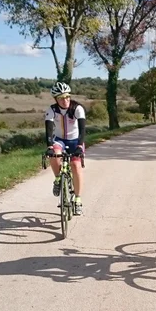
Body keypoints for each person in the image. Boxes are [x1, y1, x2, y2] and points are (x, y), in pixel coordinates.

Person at [45, 81, 87, 215]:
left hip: (75, 140)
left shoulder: (77, 108)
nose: (65, 100)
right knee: (54, 154)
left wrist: (80, 146)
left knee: (75, 165)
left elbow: (82, 130)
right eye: (61, 98)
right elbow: (48, 131)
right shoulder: (51, 110)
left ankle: (78, 199)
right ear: (56, 99)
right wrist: (50, 146)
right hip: (60, 140)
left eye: (67, 96)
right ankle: (58, 179)